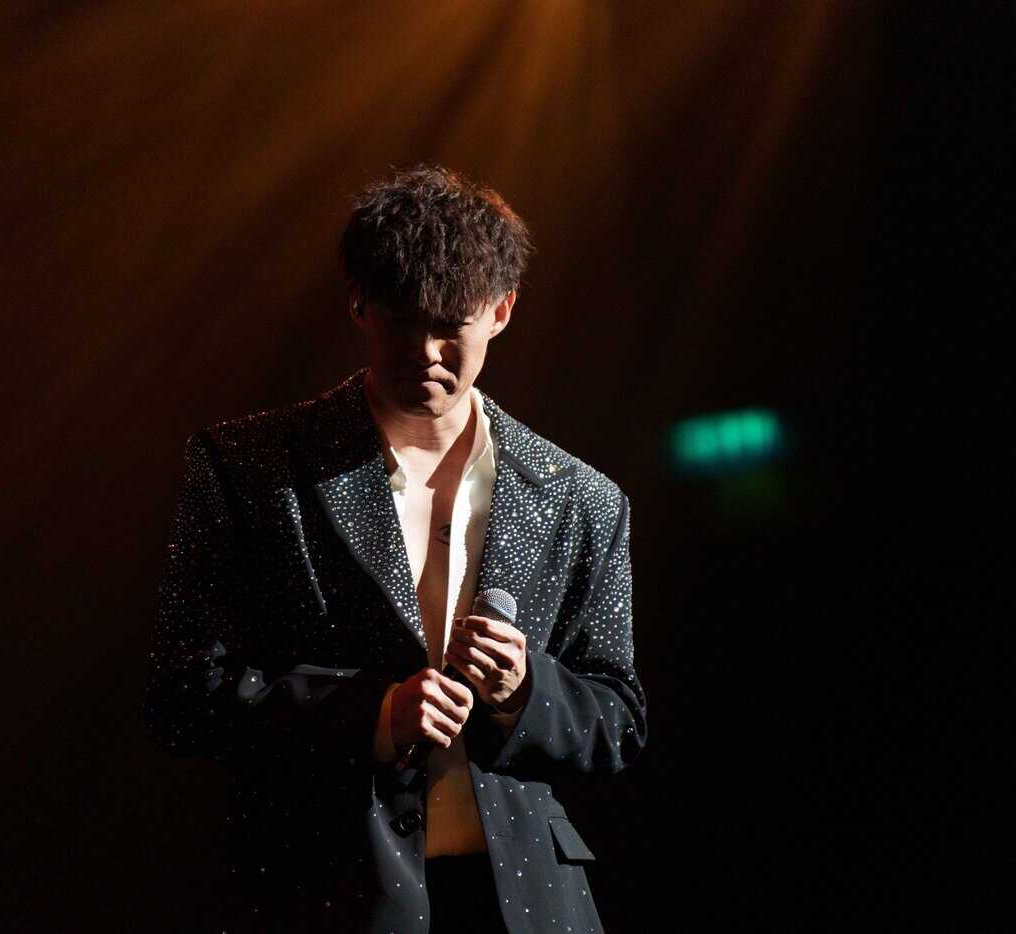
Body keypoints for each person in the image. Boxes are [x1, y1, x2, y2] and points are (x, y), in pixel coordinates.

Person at [144, 163, 647, 933]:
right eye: (401, 323)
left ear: (502, 310)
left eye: (450, 326)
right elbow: (184, 697)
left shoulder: (583, 498)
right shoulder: (248, 469)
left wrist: (523, 690)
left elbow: (618, 720)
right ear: (359, 304)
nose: (426, 352)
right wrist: (373, 713)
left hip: (529, 905)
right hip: (324, 895)